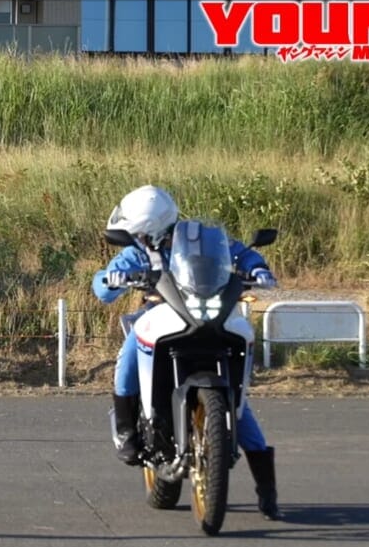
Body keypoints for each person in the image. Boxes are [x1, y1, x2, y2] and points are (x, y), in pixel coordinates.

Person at [91, 185, 283, 520]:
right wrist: (112, 278)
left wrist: (257, 268)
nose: (135, 236)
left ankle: (267, 490)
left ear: (153, 227)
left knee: (239, 404)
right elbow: (103, 283)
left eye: (137, 230)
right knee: (127, 360)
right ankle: (126, 433)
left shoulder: (198, 237)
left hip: (205, 314)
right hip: (157, 316)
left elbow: (238, 252)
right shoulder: (139, 250)